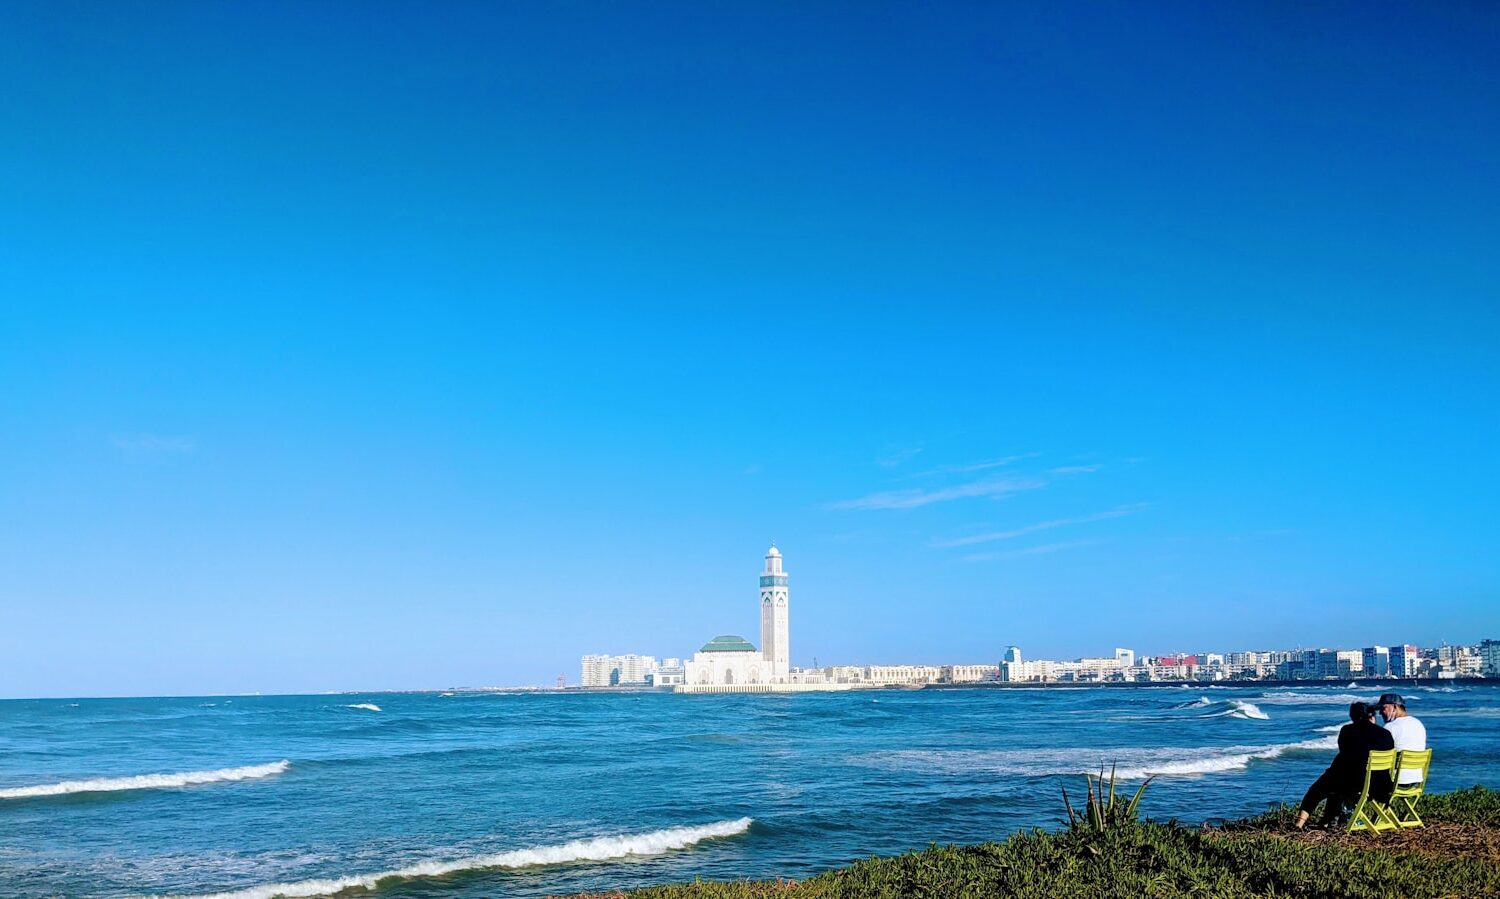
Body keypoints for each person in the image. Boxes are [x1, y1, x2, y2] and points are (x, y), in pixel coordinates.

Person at [1294, 701, 1394, 829]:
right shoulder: (1385, 734)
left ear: (1353, 717)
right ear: (1372, 716)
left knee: (1318, 790)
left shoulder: (1347, 730)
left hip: (1355, 784)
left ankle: (1299, 824)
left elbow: (1345, 753)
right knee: (1335, 784)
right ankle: (1329, 821)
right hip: (1381, 788)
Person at [1375, 692, 1428, 785]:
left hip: (1394, 780)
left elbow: (1379, 755)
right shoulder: (1418, 724)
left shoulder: (1390, 727)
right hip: (1416, 778)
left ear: (1395, 707)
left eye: (1383, 708)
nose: (1380, 713)